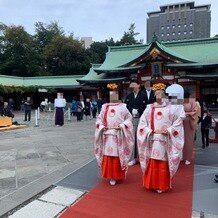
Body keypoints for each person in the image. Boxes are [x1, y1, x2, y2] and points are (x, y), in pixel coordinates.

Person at [137, 83, 185, 193]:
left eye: (161, 93)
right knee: (153, 160)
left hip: (165, 139)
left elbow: (178, 123)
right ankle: (152, 183)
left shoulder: (171, 108)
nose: (158, 96)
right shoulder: (149, 108)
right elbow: (142, 123)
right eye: (156, 93)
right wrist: (150, 131)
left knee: (163, 161)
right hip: (152, 138)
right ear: (154, 94)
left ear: (164, 95)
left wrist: (168, 130)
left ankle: (162, 185)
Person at [94, 91, 134, 186]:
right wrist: (102, 126)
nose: (113, 97)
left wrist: (121, 125)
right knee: (108, 155)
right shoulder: (105, 107)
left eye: (115, 94)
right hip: (107, 134)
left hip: (118, 134)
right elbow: (99, 119)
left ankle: (117, 175)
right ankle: (111, 175)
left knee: (117, 155)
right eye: (111, 95)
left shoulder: (123, 107)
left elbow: (129, 119)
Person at [124, 80, 147, 166]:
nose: (132, 87)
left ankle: (141, 157)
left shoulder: (144, 96)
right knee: (132, 137)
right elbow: (125, 107)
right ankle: (133, 158)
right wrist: (131, 112)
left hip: (141, 119)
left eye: (134, 85)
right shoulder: (129, 96)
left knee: (141, 138)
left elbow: (146, 108)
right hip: (131, 119)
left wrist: (139, 113)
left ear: (138, 85)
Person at [182, 91, 200, 165]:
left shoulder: (194, 102)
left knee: (188, 141)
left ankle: (188, 158)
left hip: (189, 122)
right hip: (181, 122)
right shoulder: (180, 101)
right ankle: (183, 156)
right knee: (182, 140)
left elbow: (196, 112)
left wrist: (187, 114)